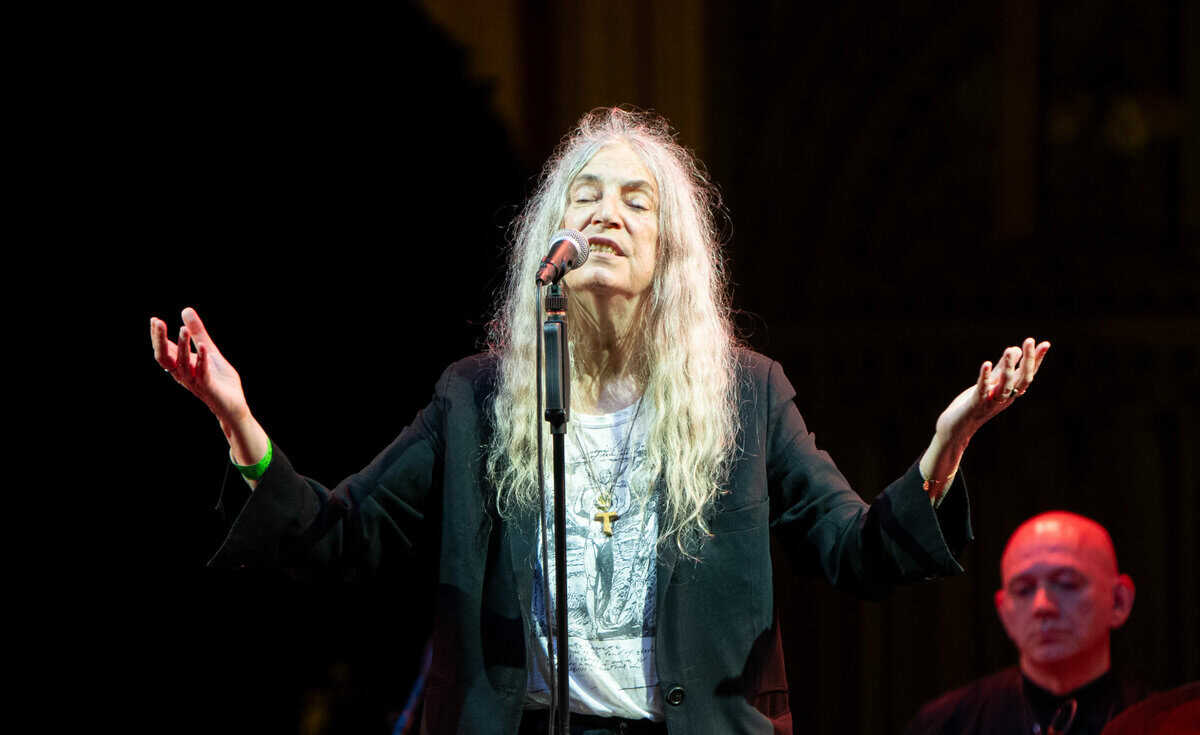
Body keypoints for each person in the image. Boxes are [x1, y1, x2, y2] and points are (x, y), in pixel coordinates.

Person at [150, 108, 1051, 735]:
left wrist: (947, 444)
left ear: (669, 251)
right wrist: (238, 420)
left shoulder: (746, 395)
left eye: (635, 200)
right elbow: (341, 535)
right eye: (585, 196)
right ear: (552, 238)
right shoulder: (476, 399)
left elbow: (856, 551)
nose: (606, 215)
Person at [905, 511, 1143, 735]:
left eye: (1067, 583)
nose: (1042, 606)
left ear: (1118, 601)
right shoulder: (945, 725)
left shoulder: (1158, 722)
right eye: (1023, 589)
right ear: (1004, 612)